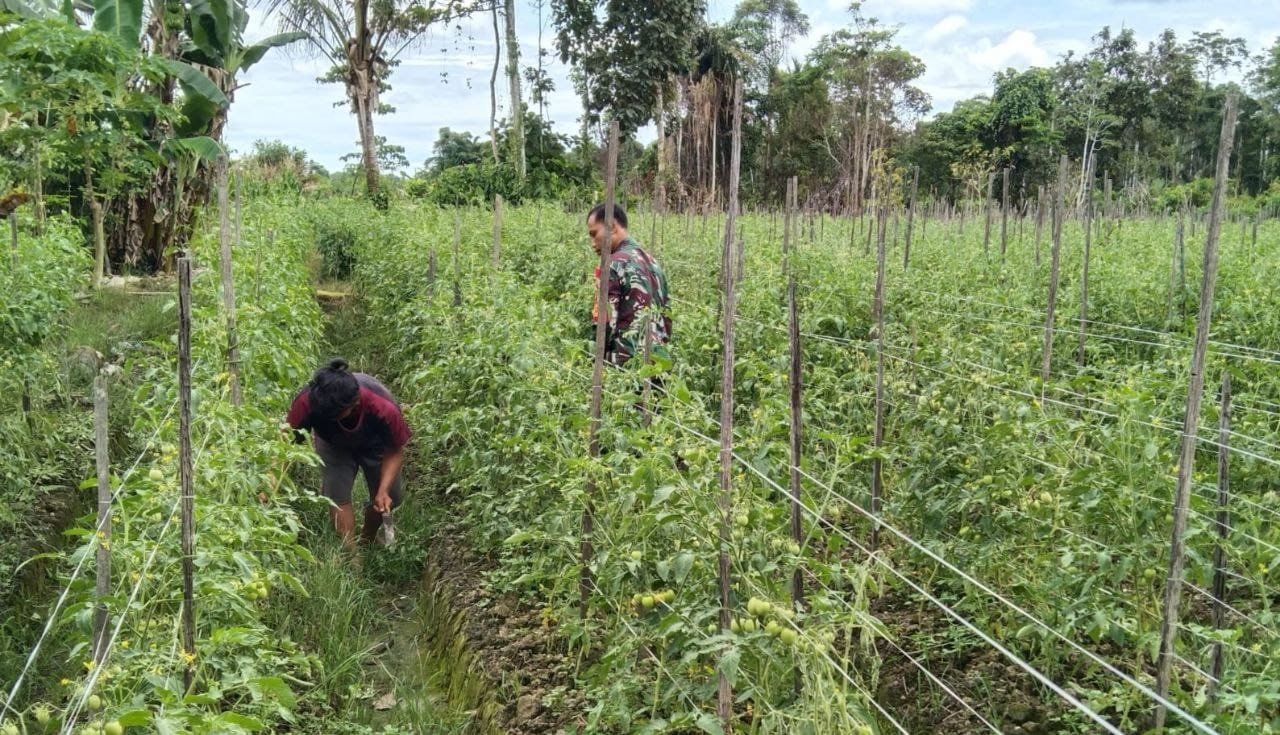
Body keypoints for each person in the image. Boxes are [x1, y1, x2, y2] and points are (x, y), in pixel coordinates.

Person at [285, 359, 410, 546]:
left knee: (391, 497)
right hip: (333, 445)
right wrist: (271, 482)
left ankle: (367, 538)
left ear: (354, 403)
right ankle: (351, 557)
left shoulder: (382, 406)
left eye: (336, 415)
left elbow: (395, 450)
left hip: (376, 445)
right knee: (338, 496)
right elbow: (285, 447)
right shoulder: (307, 403)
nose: (331, 419)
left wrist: (383, 490)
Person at [586, 203, 671, 367]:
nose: (592, 243)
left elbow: (604, 325)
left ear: (611, 227)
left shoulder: (612, 265)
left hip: (625, 369)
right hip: (658, 364)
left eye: (594, 234)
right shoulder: (653, 262)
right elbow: (666, 317)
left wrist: (593, 360)